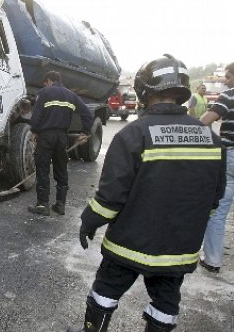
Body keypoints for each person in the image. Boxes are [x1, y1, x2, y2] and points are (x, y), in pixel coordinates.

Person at [68, 54, 226, 332]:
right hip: (179, 250)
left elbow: (111, 196)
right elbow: (214, 198)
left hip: (129, 243)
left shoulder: (134, 134)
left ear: (143, 90)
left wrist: (89, 220)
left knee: (106, 290)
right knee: (166, 302)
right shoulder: (211, 139)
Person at [28, 71, 91, 216]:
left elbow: (36, 115)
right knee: (61, 170)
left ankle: (43, 205)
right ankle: (60, 205)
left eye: (46, 83)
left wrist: (34, 131)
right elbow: (87, 113)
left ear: (49, 81)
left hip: (46, 137)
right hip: (62, 138)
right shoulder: (71, 95)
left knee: (43, 168)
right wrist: (85, 132)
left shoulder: (44, 93)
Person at [198, 62, 234, 273]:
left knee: (219, 212)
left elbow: (204, 120)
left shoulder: (228, 96)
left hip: (230, 157)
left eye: (228, 77)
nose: (225, 81)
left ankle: (212, 260)